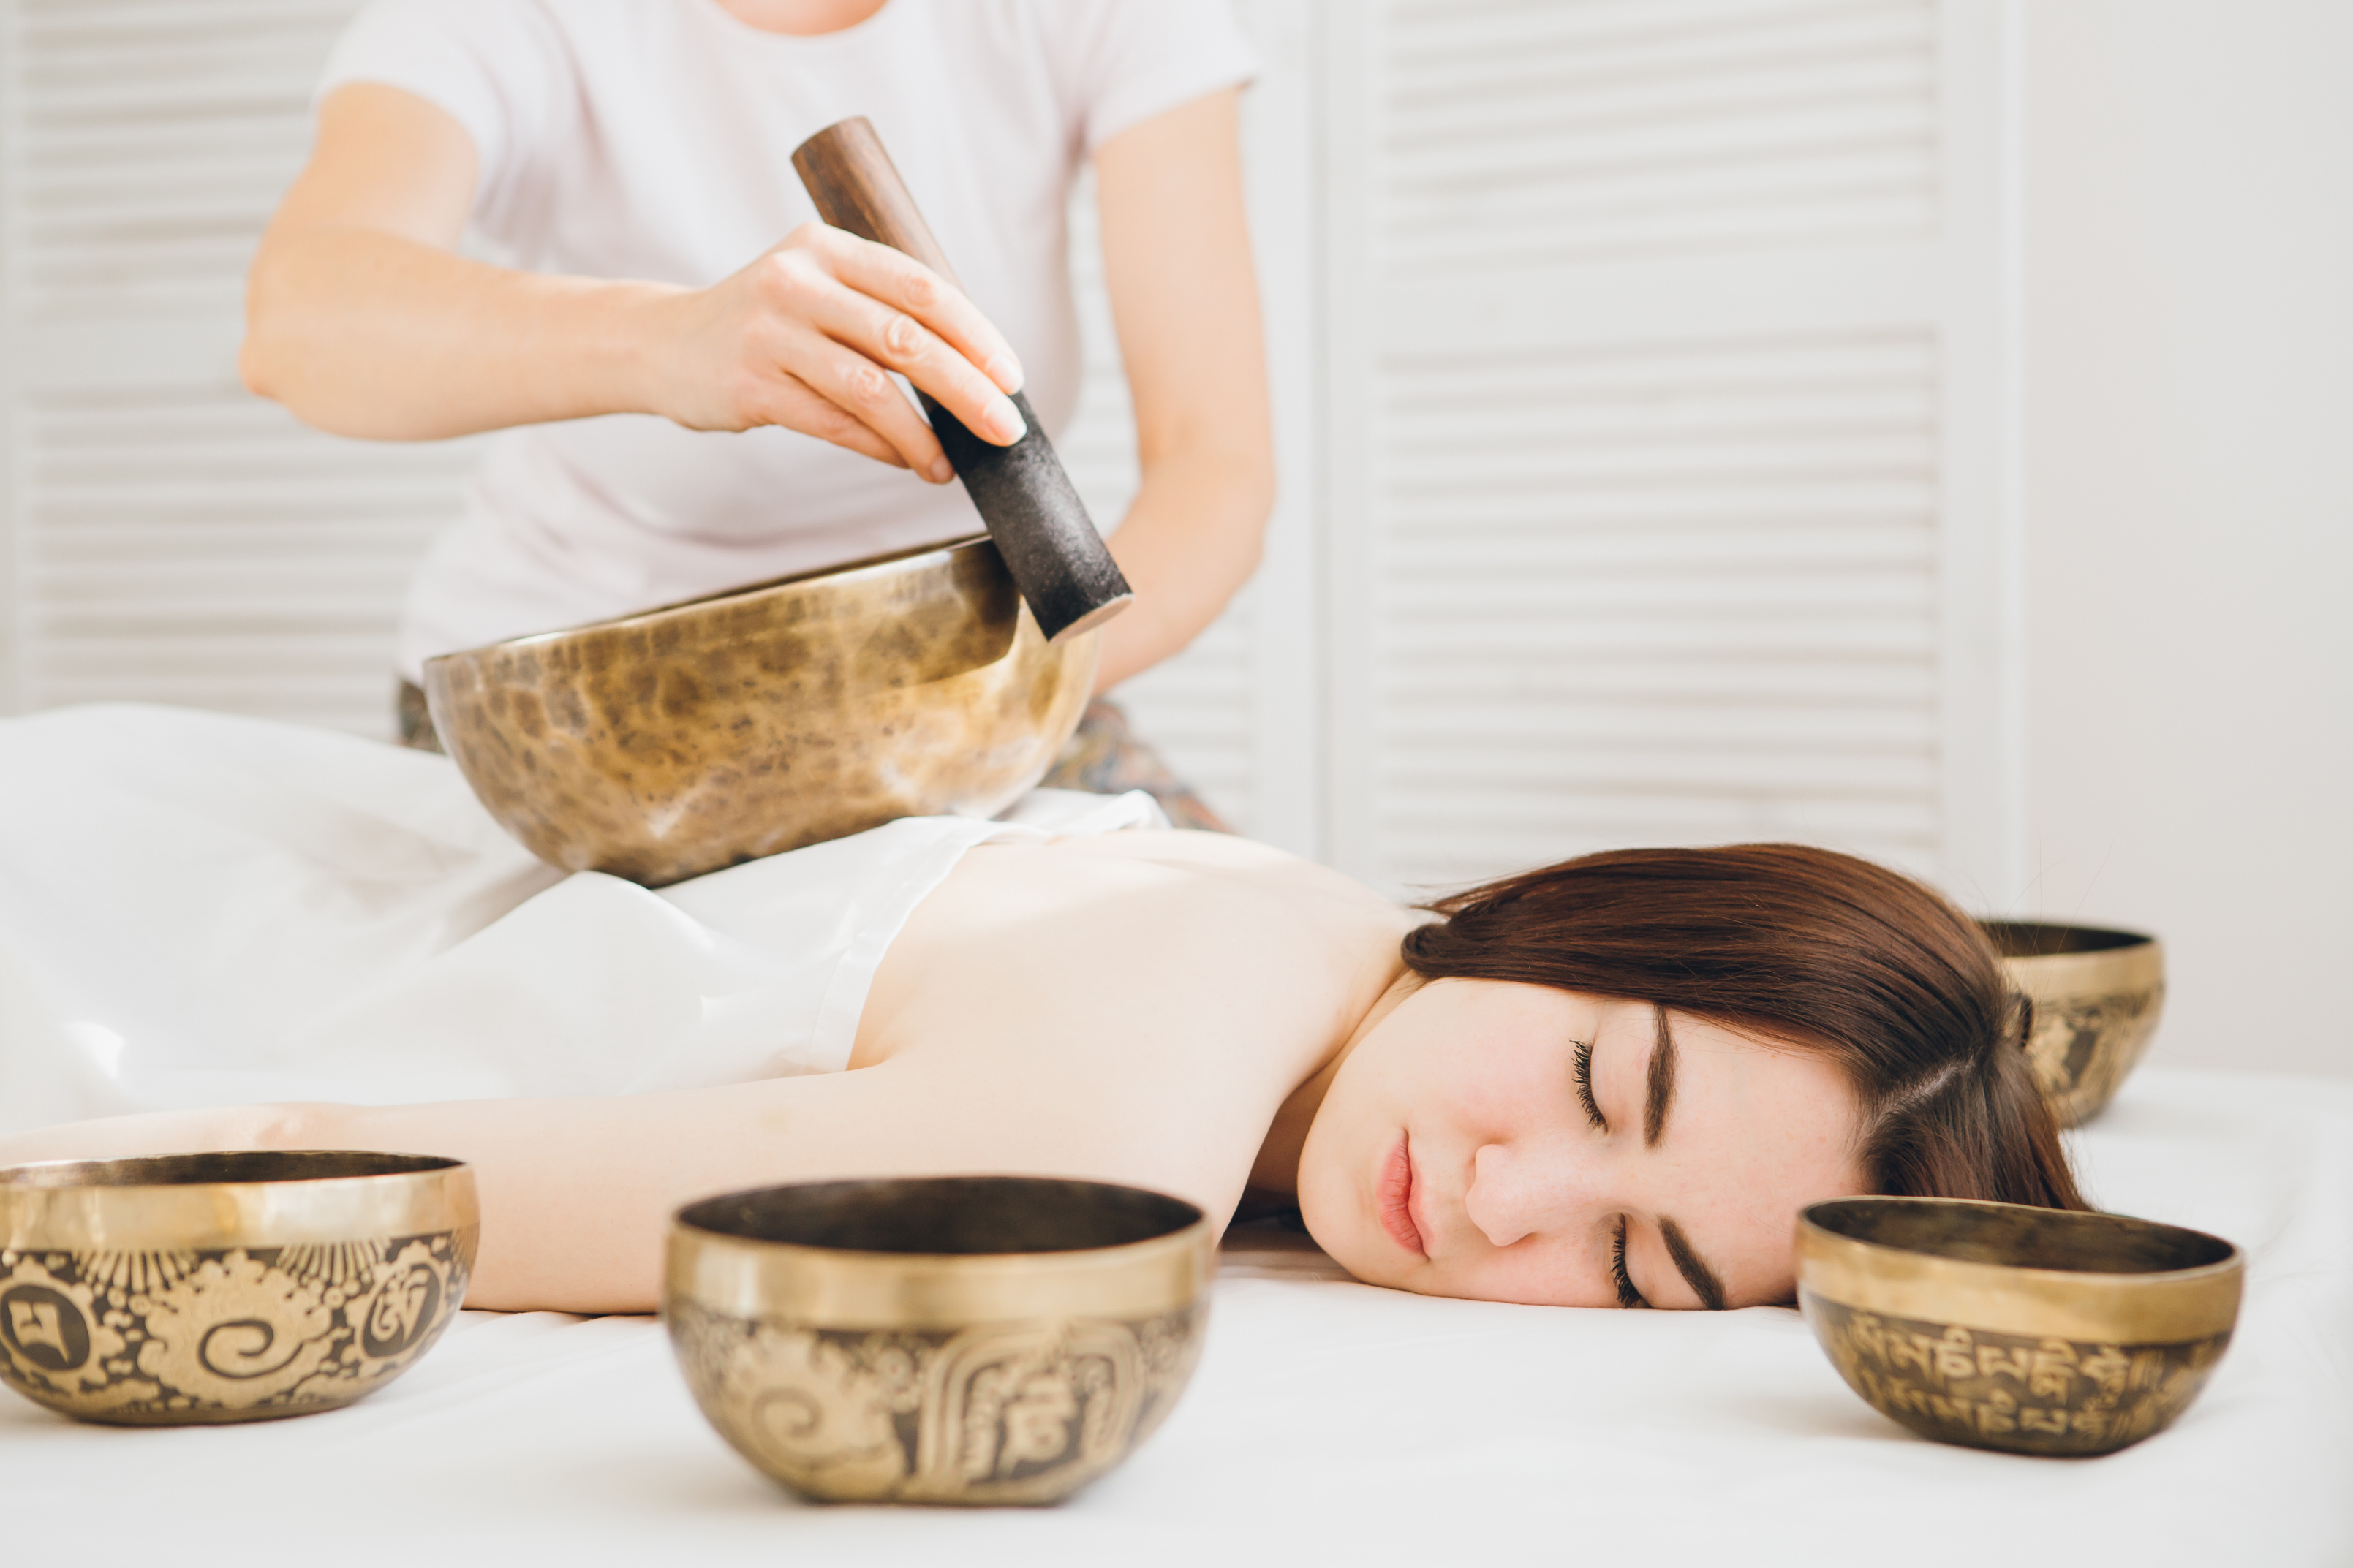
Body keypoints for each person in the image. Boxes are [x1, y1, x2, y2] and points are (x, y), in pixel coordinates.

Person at [0, 705, 2082, 1317]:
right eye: (1589, 1077)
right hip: (111, 947)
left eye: (1630, 1269)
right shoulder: (1136, 1136)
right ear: (1546, 924)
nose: (1504, 1193)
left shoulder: (1283, 926)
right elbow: (327, 1188)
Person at [241, 0, 1274, 830]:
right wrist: (665, 342)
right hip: (574, 715)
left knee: (1274, 994)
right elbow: (299, 323)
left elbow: (1213, 461)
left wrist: (1013, 686)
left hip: (974, 688)